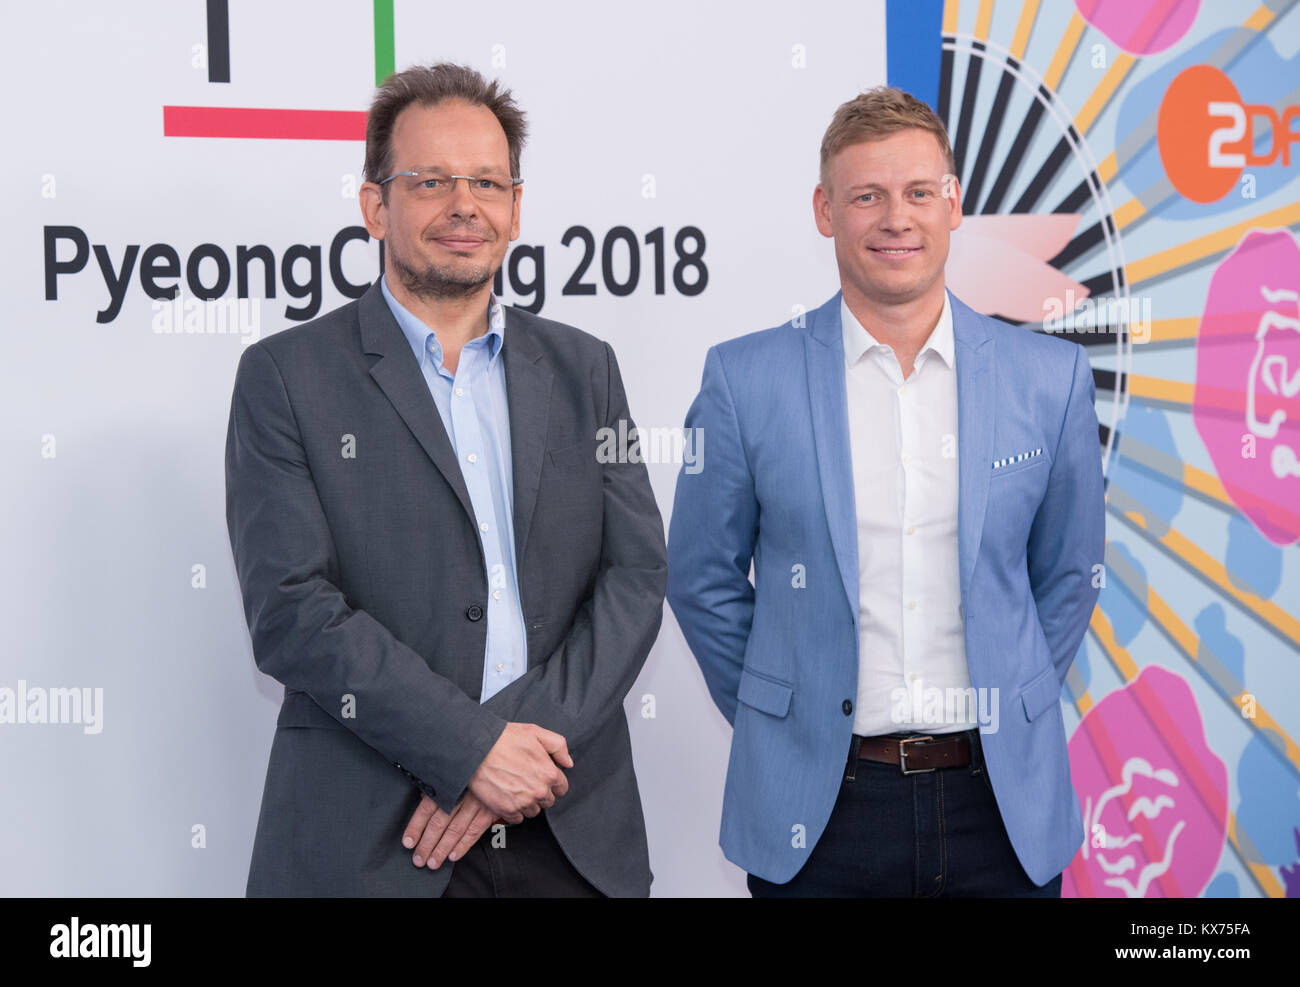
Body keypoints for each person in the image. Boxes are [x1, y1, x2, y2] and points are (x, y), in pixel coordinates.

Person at [225, 62, 666, 897]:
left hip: (568, 830)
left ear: (516, 207)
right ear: (374, 205)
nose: (464, 205)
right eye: (431, 181)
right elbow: (290, 609)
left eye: (487, 182)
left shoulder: (588, 371)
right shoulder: (286, 376)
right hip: (377, 838)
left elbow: (636, 576)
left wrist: (513, 751)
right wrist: (469, 749)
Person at [666, 86, 1104, 897]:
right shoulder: (744, 379)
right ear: (825, 210)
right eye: (867, 195)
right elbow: (700, 577)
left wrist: (1017, 695)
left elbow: (1070, 575)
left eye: (917, 193)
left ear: (954, 205)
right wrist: (784, 714)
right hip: (822, 814)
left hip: (1000, 807)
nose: (895, 218)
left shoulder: (1050, 379)